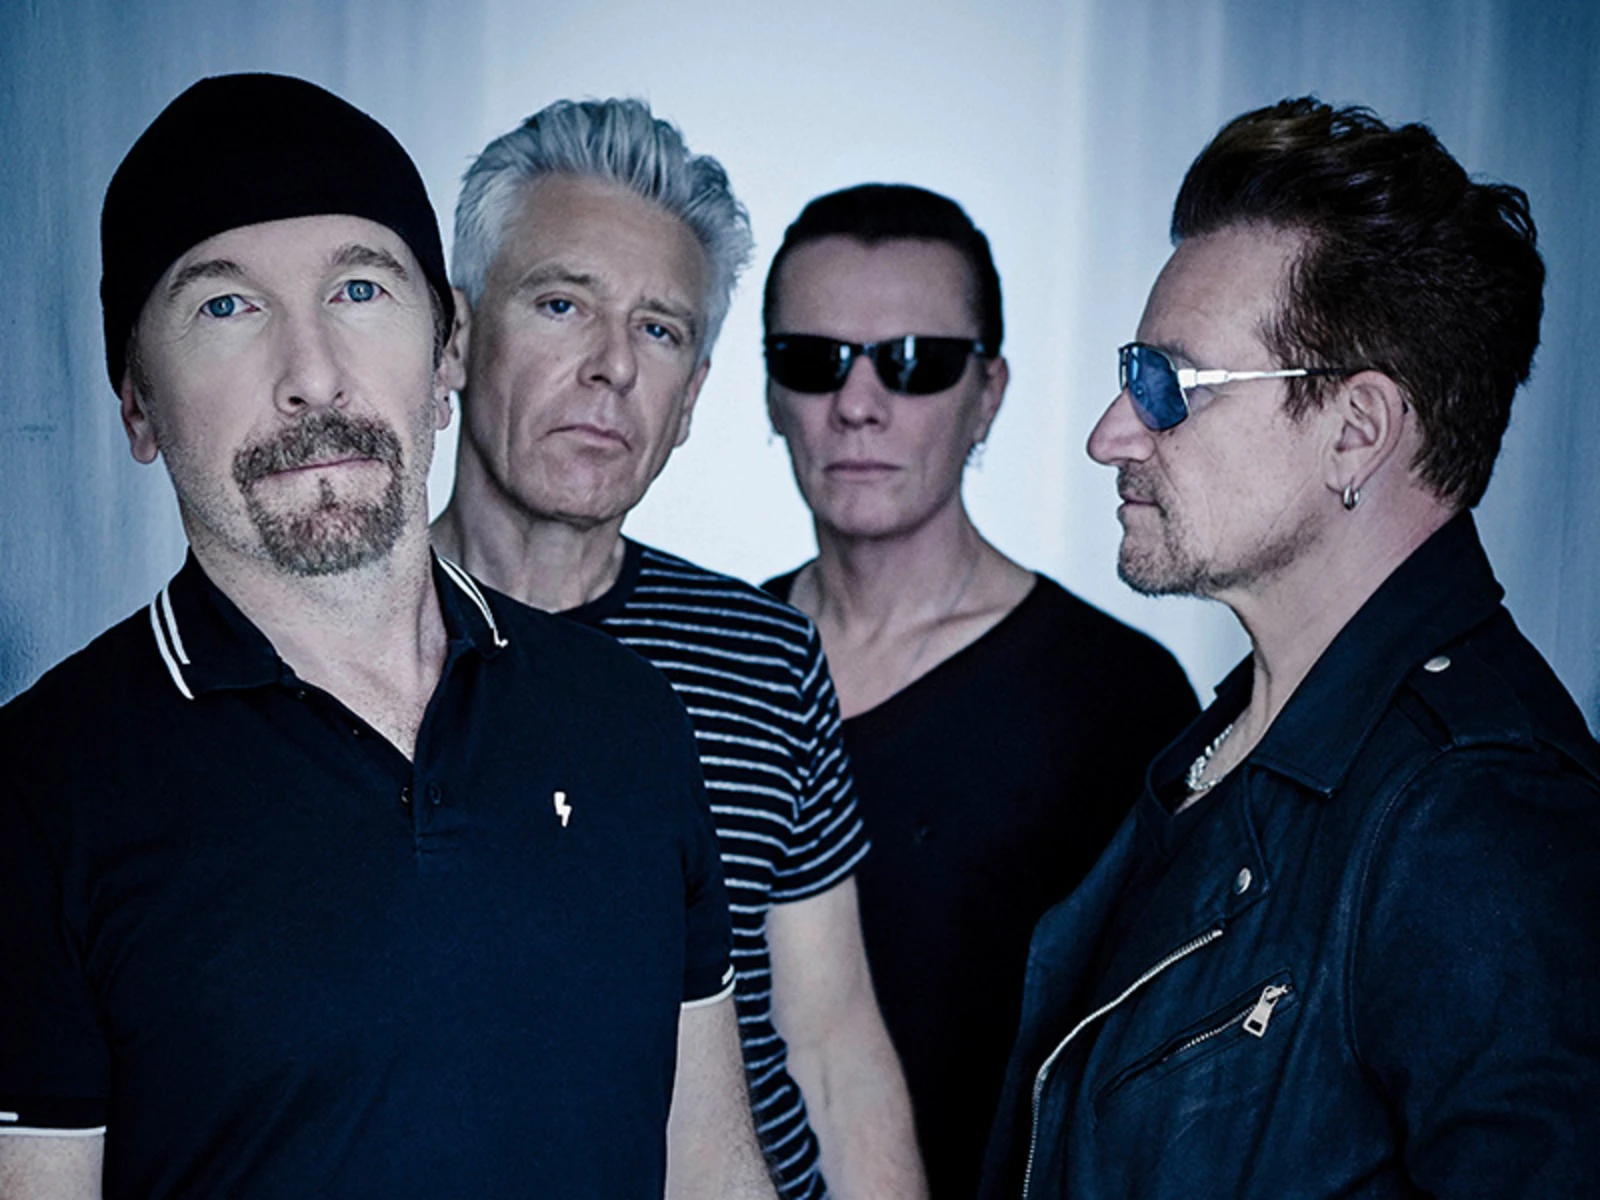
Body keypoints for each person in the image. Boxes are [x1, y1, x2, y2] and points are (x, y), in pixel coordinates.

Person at [0, 74, 776, 1200]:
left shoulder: (629, 720)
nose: (312, 377)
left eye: (359, 290)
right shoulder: (37, 794)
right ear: (137, 401)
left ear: (446, 352)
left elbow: (712, 1172)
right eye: (226, 308)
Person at [980, 98, 1600, 1199]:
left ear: (1356, 432)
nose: (1110, 435)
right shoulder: (1227, 742)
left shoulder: (1477, 816)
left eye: (1168, 387)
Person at [429, 99, 925, 1200]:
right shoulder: (342, 644)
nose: (611, 365)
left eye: (658, 330)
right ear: (455, 337)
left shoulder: (766, 659)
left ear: (691, 397)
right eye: (562, 304)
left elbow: (832, 1047)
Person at [760, 183, 1198, 1199]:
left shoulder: (1115, 699)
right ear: (769, 392)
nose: (857, 404)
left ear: (988, 391)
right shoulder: (713, 665)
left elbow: (1161, 1079)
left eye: (915, 362)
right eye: (812, 359)